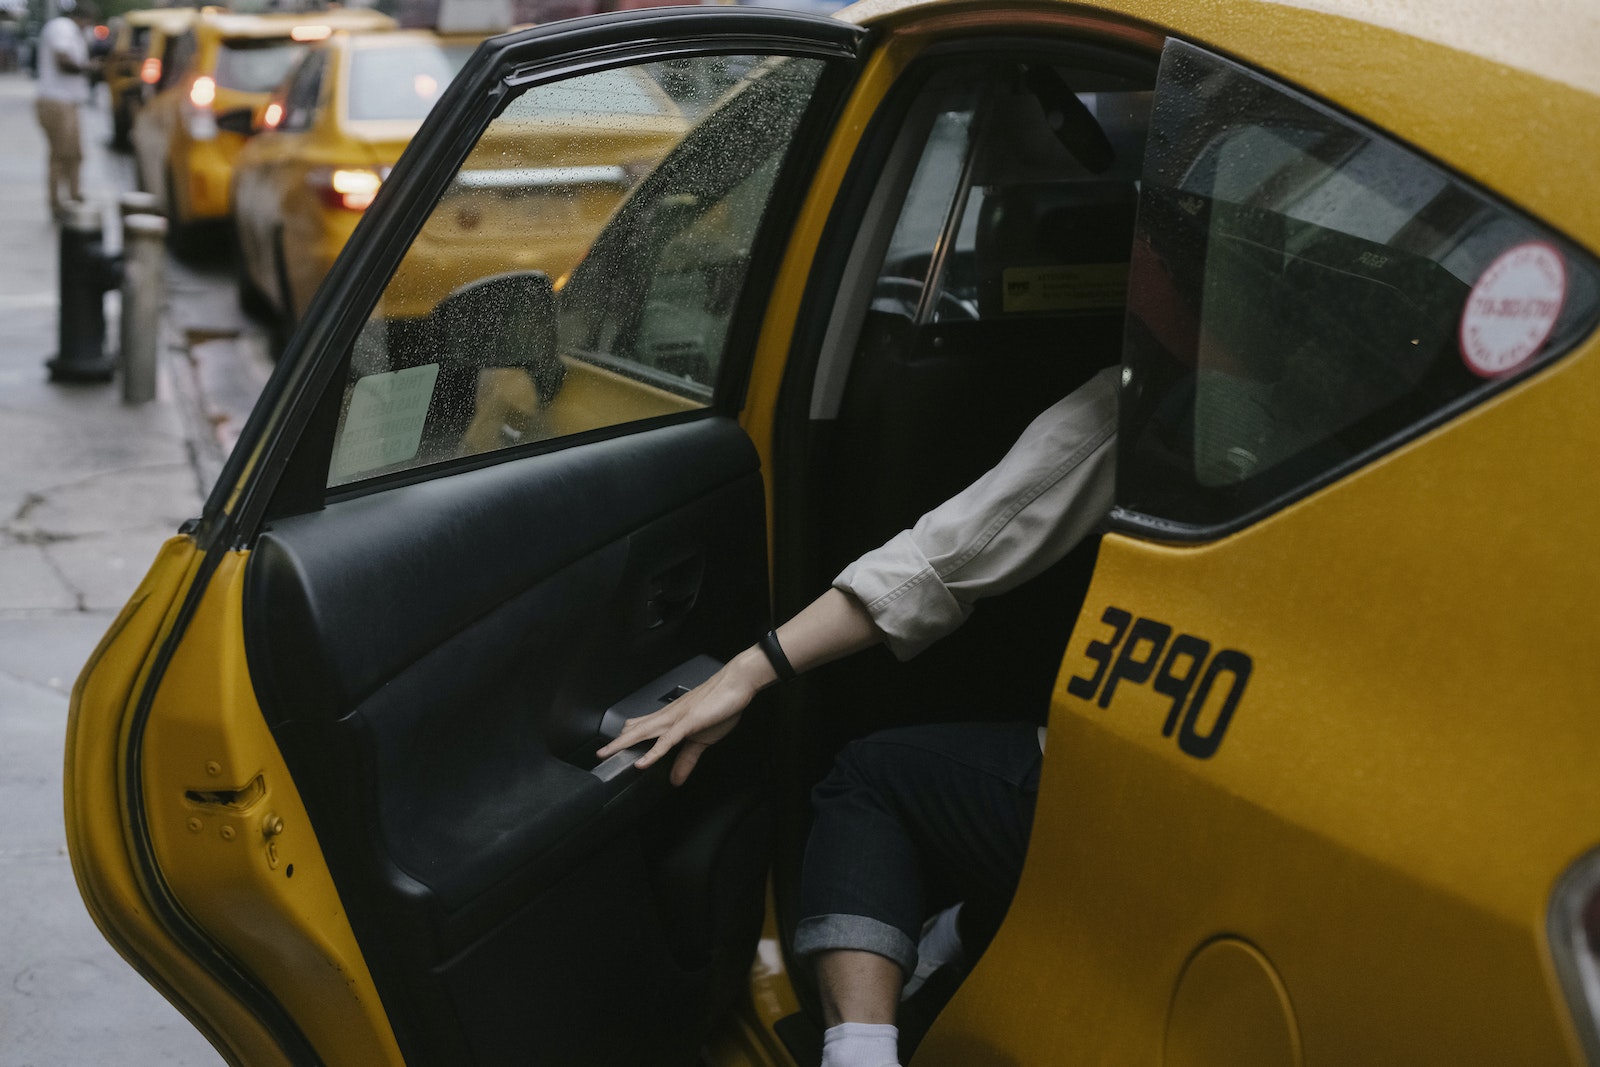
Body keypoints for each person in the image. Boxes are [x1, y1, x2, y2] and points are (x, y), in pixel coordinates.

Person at [599, 362, 1120, 1067]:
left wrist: (749, 671)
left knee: (871, 779)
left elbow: (952, 551)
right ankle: (963, 930)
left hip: (1125, 797)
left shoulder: (1151, 391)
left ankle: (861, 1054)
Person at [35, 0, 95, 221]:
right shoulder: (62, 27)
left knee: (75, 154)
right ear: (83, 19)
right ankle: (57, 204)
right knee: (61, 156)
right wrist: (91, 68)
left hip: (67, 102)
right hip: (56, 101)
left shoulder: (72, 32)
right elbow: (63, 60)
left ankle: (74, 196)